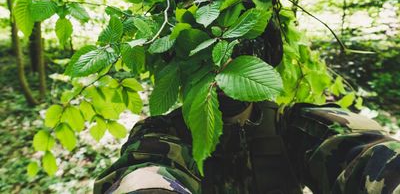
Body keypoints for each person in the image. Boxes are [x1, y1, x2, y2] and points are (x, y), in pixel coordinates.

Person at [93, 19, 400, 194]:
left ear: (267, 60)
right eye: (204, 52)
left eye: (242, 48)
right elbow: (145, 172)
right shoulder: (161, 135)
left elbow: (366, 156)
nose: (223, 64)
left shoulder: (298, 127)